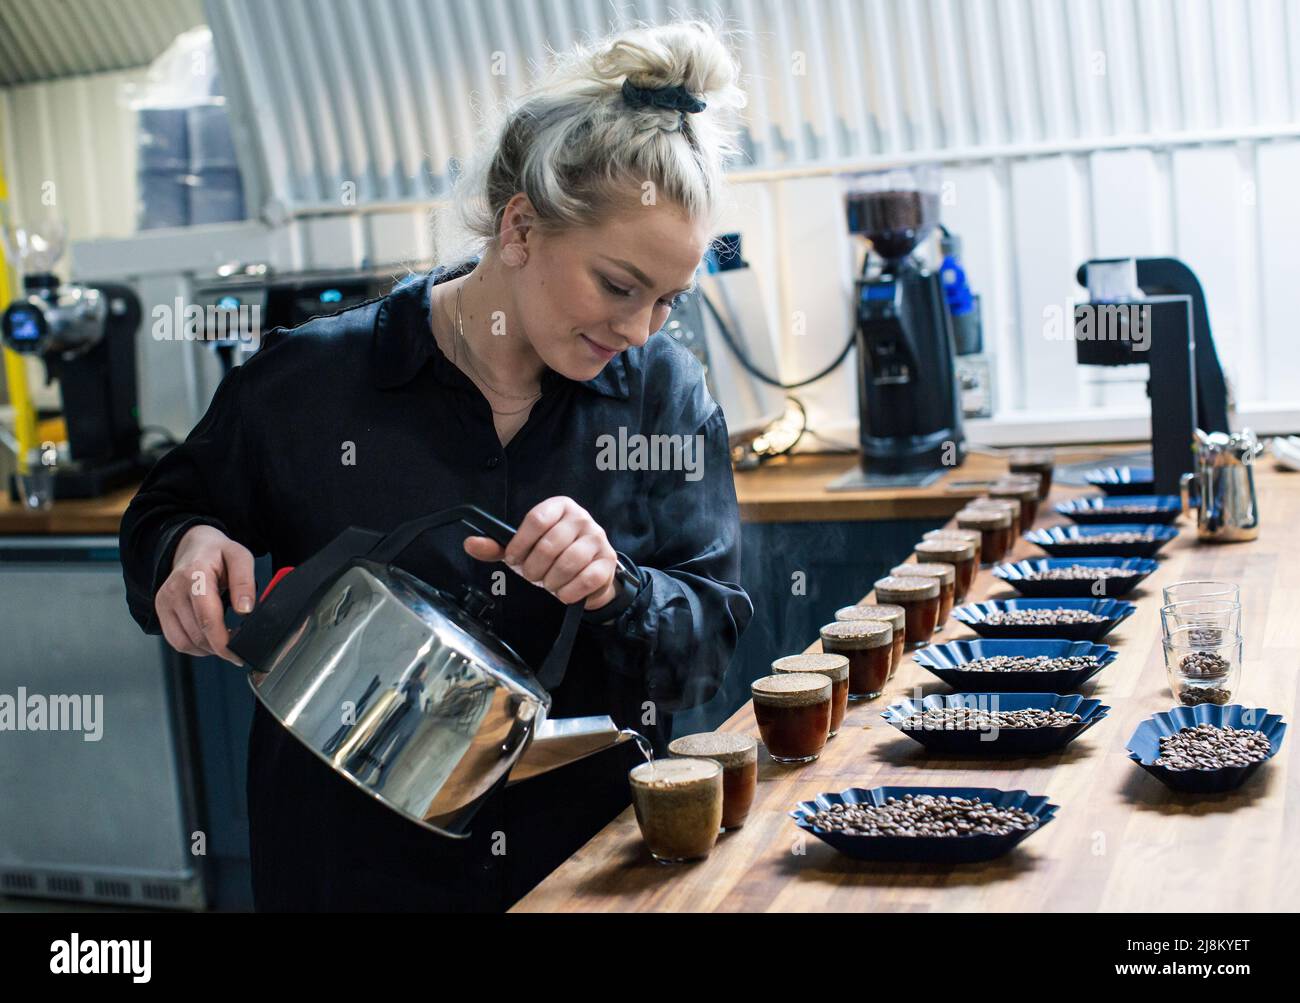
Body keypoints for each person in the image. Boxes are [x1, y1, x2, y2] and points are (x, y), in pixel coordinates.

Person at [119, 19, 754, 911]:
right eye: (617, 286)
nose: (639, 329)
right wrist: (185, 548)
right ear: (521, 227)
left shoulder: (663, 398)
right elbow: (163, 512)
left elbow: (709, 650)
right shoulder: (309, 383)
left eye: (668, 300)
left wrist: (618, 587)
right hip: (348, 872)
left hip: (583, 869)